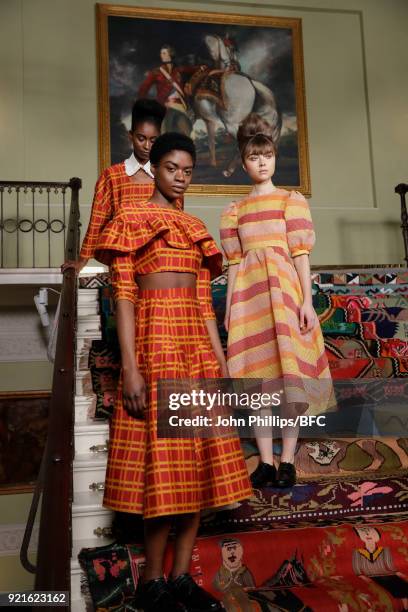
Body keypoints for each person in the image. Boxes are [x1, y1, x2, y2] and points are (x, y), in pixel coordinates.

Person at [99, 132, 252, 612]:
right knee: (163, 472)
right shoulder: (127, 220)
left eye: (187, 169)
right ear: (154, 167)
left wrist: (224, 366)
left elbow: (206, 307)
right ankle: (152, 583)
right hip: (154, 344)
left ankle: (182, 579)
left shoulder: (195, 227)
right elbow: (124, 297)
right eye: (172, 168)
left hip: (196, 351)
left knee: (198, 469)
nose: (180, 176)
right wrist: (130, 368)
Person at [220, 113, 334, 489]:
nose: (262, 162)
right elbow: (234, 263)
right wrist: (230, 308)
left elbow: (301, 255)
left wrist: (306, 301)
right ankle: (265, 462)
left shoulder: (290, 200)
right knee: (258, 383)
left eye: (267, 155)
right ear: (243, 162)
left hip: (285, 296)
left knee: (289, 380)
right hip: (250, 301)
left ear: (273, 156)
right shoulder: (234, 212)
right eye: (254, 157)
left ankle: (287, 459)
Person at [61, 98, 166, 273]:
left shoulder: (165, 176)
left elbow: (176, 221)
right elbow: (97, 221)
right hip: (122, 261)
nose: (147, 146)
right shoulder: (112, 176)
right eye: (141, 138)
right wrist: (81, 262)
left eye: (153, 140)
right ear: (130, 135)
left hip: (160, 263)